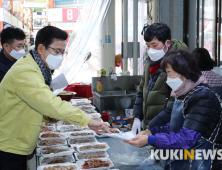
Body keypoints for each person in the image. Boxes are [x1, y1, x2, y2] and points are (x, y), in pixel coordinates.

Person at [0, 26, 109, 170]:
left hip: (18, 139)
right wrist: (87, 121)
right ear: (40, 48)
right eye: (56, 51)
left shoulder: (36, 67)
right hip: (10, 144)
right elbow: (50, 103)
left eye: (62, 52)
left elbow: (33, 103)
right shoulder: (25, 71)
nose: (60, 57)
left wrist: (47, 117)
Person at [125, 49, 222, 170]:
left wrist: (150, 139)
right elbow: (177, 126)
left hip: (199, 164)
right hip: (181, 162)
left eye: (170, 74)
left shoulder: (203, 98)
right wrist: (152, 132)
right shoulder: (185, 94)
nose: (168, 79)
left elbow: (186, 139)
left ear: (184, 73)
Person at [132, 22, 188, 133]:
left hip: (167, 129)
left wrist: (152, 127)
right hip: (151, 127)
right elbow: (141, 91)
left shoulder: (178, 65)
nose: (150, 50)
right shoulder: (150, 63)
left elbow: (176, 103)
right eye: (147, 46)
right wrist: (137, 116)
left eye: (154, 45)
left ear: (167, 43)